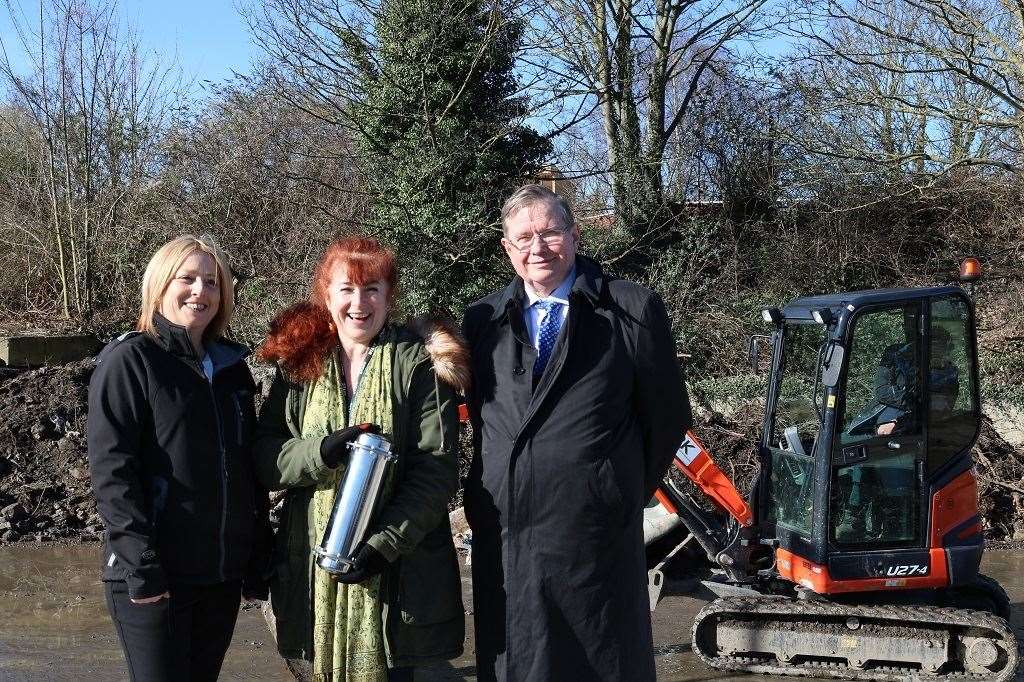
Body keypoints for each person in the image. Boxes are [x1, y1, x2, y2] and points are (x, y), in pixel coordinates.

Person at [461, 184, 692, 681]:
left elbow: (667, 416)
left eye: (549, 233)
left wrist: (614, 486)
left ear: (575, 235)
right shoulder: (482, 320)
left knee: (597, 660)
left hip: (593, 532)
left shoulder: (630, 309)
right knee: (517, 663)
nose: (537, 248)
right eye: (523, 238)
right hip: (507, 532)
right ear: (506, 249)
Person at [254, 237, 467, 682]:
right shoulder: (298, 366)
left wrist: (381, 545)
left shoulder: (420, 366)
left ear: (390, 296)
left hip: (403, 578)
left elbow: (437, 472)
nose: (359, 302)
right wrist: (320, 452)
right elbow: (263, 456)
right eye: (346, 289)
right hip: (311, 579)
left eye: (372, 288)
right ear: (325, 295)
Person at [88, 235, 272, 682]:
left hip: (219, 576)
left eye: (212, 282)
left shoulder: (231, 368)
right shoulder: (130, 360)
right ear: (160, 283)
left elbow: (245, 467)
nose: (200, 291)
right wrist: (141, 563)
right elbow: (113, 472)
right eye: (186, 278)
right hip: (155, 576)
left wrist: (256, 548)